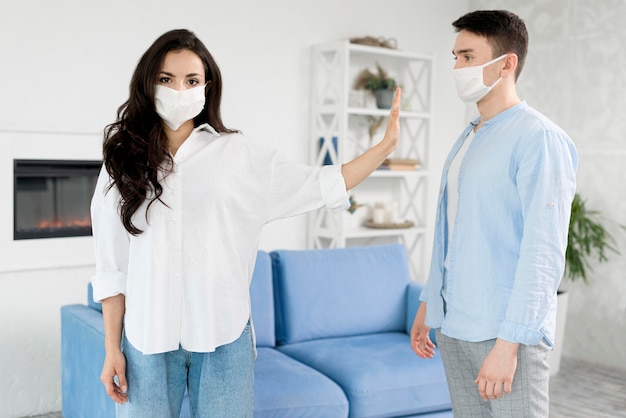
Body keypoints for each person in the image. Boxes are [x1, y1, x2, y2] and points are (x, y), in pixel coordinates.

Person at [91, 29, 401, 417]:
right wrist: (111, 349)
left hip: (223, 335)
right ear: (148, 82)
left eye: (191, 80)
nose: (178, 90)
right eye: (166, 79)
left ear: (207, 87)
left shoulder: (238, 154)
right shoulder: (121, 161)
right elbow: (111, 268)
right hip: (146, 338)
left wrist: (384, 148)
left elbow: (320, 182)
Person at [409, 10, 577, 418]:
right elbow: (451, 233)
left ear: (507, 63)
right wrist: (427, 307)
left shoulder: (539, 138)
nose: (456, 68)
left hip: (504, 336)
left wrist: (509, 345)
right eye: (455, 57)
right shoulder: (469, 137)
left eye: (467, 56)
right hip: (454, 330)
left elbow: (543, 252)